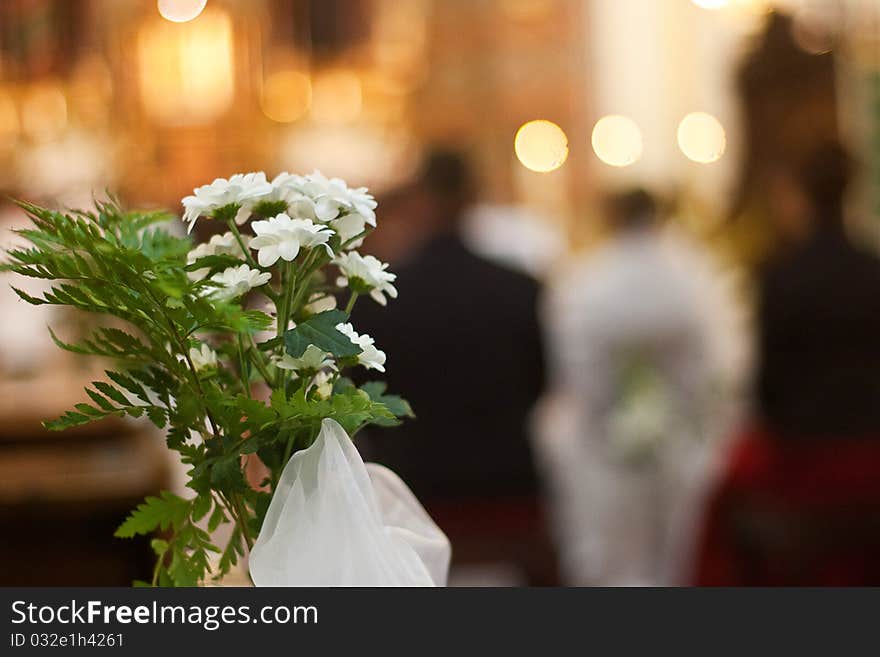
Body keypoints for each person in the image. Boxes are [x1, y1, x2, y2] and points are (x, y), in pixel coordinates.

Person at [352, 149, 550, 584]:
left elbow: (361, 403)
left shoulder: (377, 299)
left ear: (420, 198)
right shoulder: (520, 288)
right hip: (507, 486)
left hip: (414, 493)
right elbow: (541, 385)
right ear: (473, 197)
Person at [695, 143, 880, 585]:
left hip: (805, 461)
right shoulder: (873, 270)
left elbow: (768, 387)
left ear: (798, 197)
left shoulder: (779, 276)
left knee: (716, 514)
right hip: (872, 448)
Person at [537, 189, 735, 586]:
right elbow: (714, 360)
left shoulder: (588, 279)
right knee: (677, 545)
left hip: (606, 432)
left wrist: (607, 409)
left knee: (616, 549)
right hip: (680, 431)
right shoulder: (693, 275)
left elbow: (575, 365)